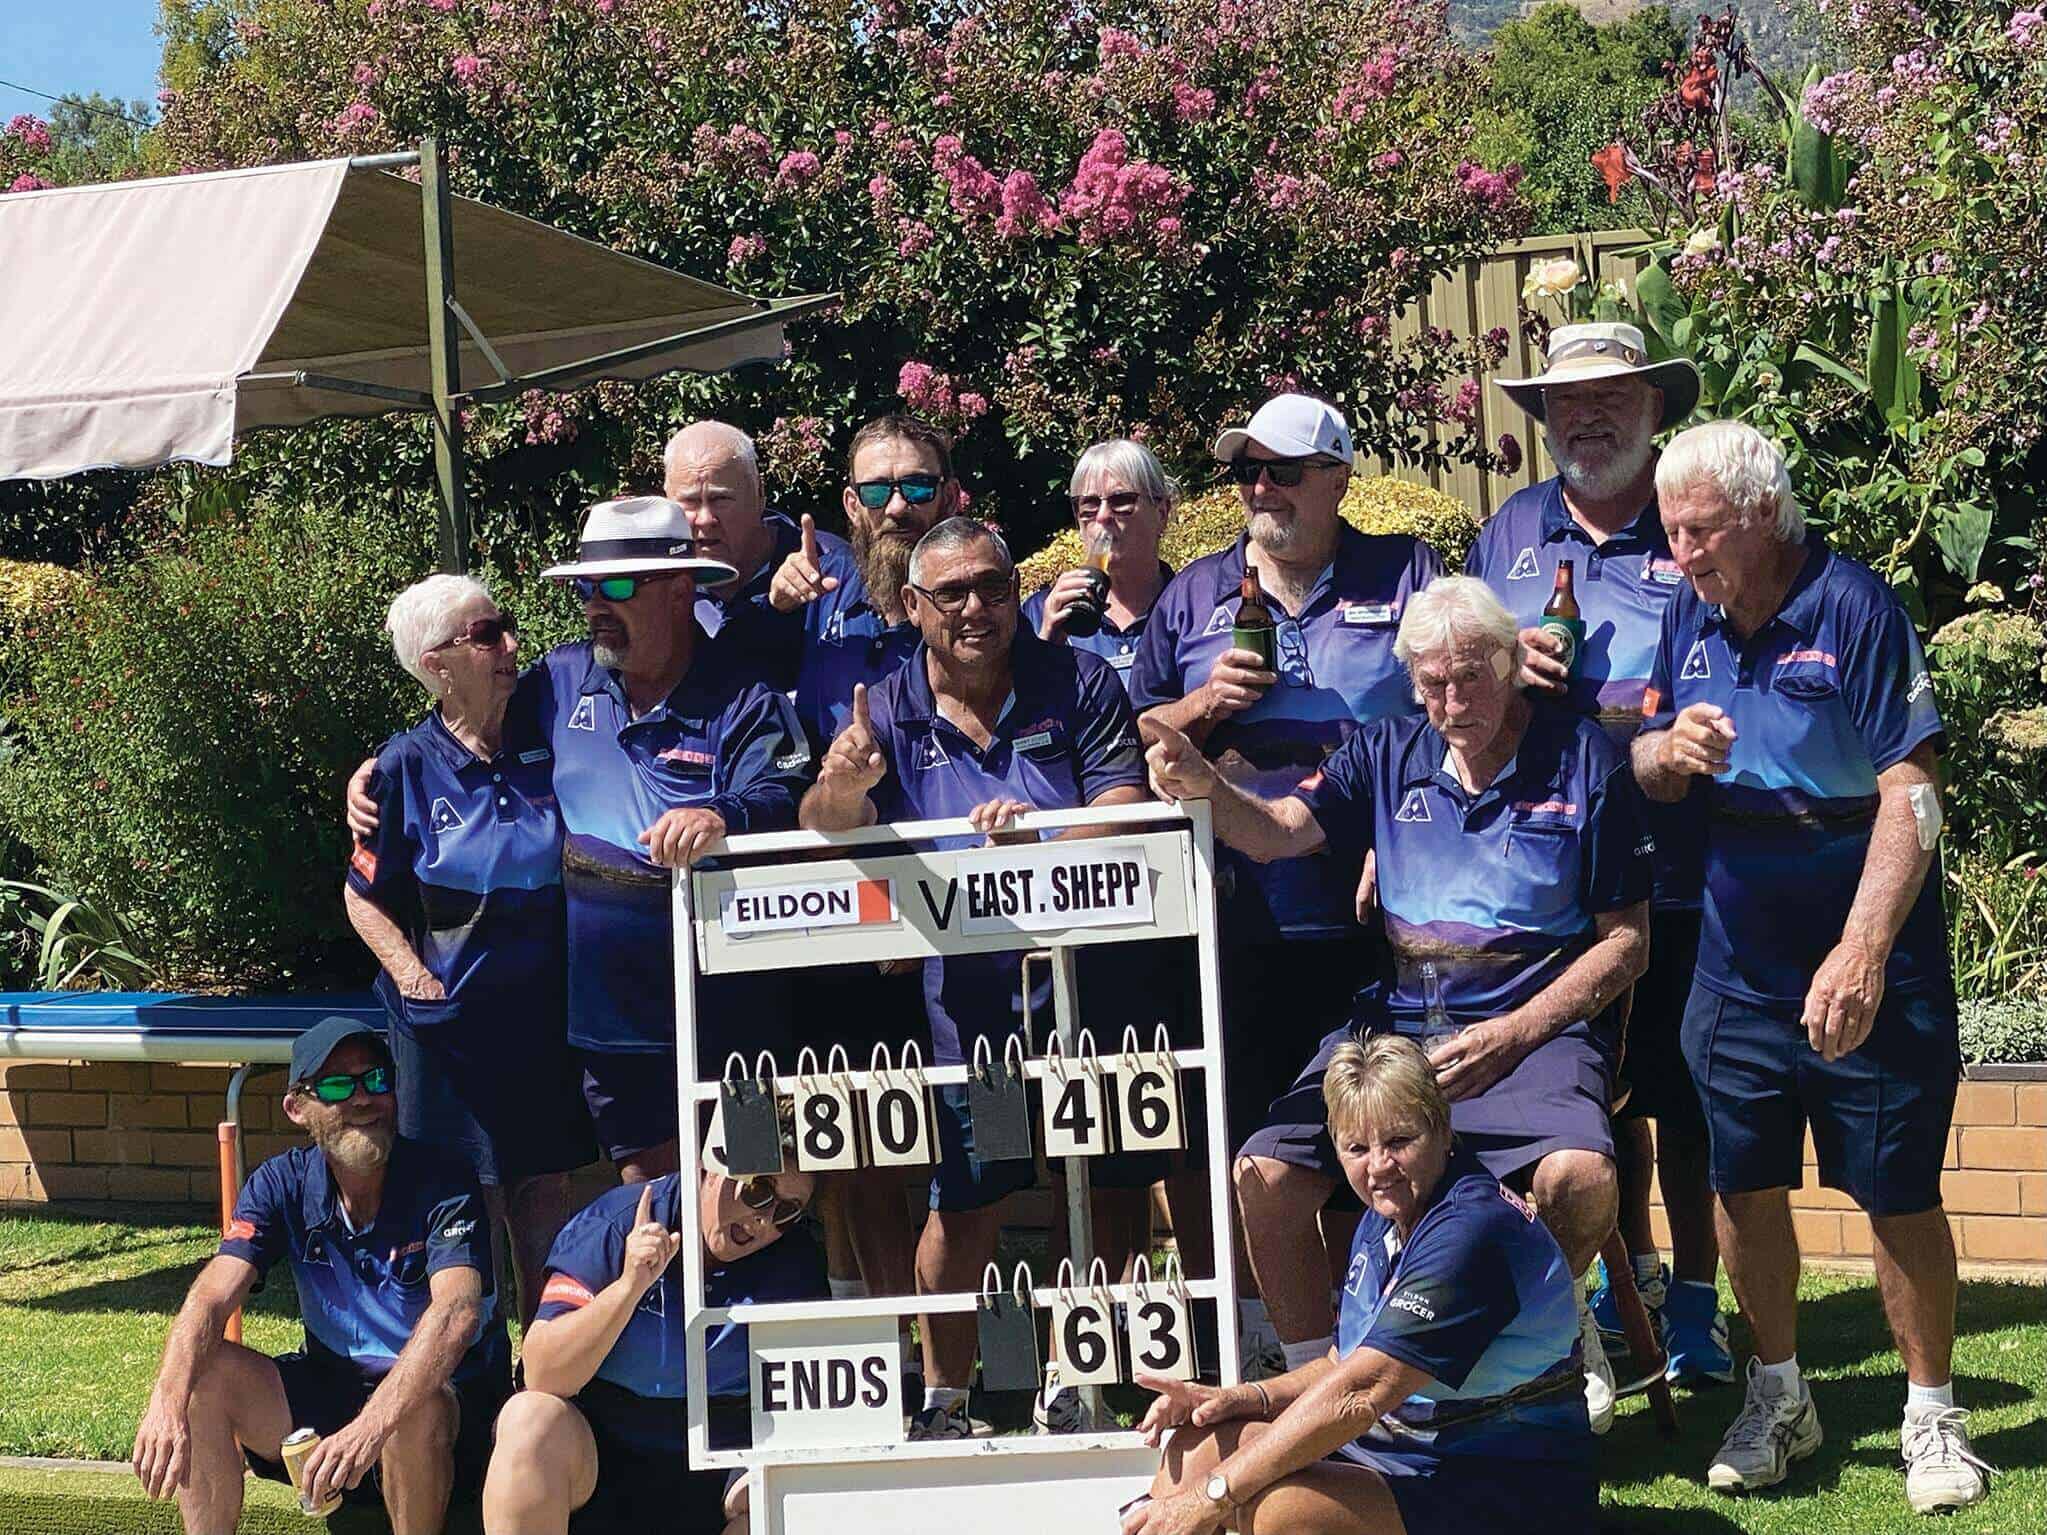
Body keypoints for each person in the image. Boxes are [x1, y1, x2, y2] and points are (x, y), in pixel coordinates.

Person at [1149, 576, 1651, 1434]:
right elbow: (1275, 831)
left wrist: (1519, 1028)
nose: (1453, 703)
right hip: (1402, 1020)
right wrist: (1202, 785)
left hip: (1535, 1025)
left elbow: (1626, 943)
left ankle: (1539, 1332)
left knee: (1580, 1179)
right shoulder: (1383, 750)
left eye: (1471, 677)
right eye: (1432, 683)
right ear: (1411, 683)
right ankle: (1322, 1399)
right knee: (1262, 1175)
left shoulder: (1583, 757)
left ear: (1509, 664)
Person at [1634, 421, 1988, 1512]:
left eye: (1699, 530)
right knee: (1741, 1185)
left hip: (1867, 966)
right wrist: (1664, 755)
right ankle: (1777, 1394)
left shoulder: (1855, 607)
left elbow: (1911, 792)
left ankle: (1932, 1413)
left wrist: (1863, 946)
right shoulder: (1686, 616)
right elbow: (1643, 758)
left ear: (1761, 511)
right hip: (1733, 969)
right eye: (1670, 530)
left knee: (1896, 1193)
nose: (1681, 552)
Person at [801, 515, 1149, 1439]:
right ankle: (944, 1401)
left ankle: (1082, 1387)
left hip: (1090, 988)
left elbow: (1122, 800)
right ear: (911, 606)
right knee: (971, 1198)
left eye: (993, 586)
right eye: (949, 593)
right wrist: (843, 782)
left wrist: (1038, 840)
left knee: (1099, 1184)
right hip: (975, 1007)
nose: (975, 608)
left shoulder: (1075, 678)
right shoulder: (884, 702)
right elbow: (827, 822)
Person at [349, 497, 810, 1183]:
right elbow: (459, 720)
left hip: (727, 1007)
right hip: (611, 1024)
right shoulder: (562, 680)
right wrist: (374, 769)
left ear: (681, 590)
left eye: (617, 587)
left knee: (755, 1196)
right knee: (653, 1211)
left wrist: (720, 816)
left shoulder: (743, 695)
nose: (595, 605)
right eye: (584, 589)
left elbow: (785, 794)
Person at [1129, 392, 1440, 1377]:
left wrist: (1400, 832)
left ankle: (1375, 1325)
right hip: (1236, 910)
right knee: (1249, 1125)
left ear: (1338, 476)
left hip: (1374, 904)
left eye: (1283, 470)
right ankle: (1271, 1337)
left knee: (1372, 1125)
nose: (1260, 489)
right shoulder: (1193, 596)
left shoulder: (1406, 571)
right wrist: (1202, 705)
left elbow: (1456, 707)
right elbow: (1125, 737)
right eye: (1246, 471)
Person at [1475, 320, 1729, 1390]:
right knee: (1588, 1102)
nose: (1584, 418)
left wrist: (1651, 720)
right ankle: (1607, 1304)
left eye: (1610, 399)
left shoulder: (1690, 528)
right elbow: (1458, 694)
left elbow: (1728, 669)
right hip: (1549, 874)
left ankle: (1698, 1314)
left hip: (1681, 862)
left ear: (1653, 412)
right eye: (1565, 403)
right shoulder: (1510, 532)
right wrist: (1505, 667)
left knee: (1687, 1098)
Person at [1123, 1035, 1594, 1535]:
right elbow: (1342, 1363)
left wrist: (1211, 1496)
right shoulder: (1390, 1212)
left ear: (1442, 1126)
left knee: (1281, 1511)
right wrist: (1242, 1399)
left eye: (1398, 1142)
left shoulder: (1471, 1230)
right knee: (1200, 1447)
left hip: (1506, 1483)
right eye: (1357, 1148)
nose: (1378, 1167)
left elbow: (1360, 1392)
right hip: (1399, 1455)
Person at [132, 1018, 509, 1535]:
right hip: (336, 1386)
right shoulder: (280, 1183)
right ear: (297, 1108)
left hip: (447, 1405)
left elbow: (457, 1312)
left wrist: (368, 1429)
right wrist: (165, 1404)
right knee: (204, 1376)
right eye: (336, 1085)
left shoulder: (445, 1179)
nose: (362, 1099)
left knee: (416, 1409)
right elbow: (211, 1298)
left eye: (375, 1080)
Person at [345, 574, 593, 1332]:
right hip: (449, 1036)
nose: (511, 645)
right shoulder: (400, 768)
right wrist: (413, 975)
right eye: (486, 635)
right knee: (466, 1213)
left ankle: (548, 1386)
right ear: (437, 662)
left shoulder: (544, 731)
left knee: (546, 1204)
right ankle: (471, 1393)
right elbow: (362, 894)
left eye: (506, 626)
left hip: (544, 1021)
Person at [767, 413, 963, 1321]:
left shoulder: (976, 586)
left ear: (950, 495)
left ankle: (939, 1358)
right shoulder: (810, 596)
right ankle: (864, 1333)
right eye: (877, 489)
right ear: (848, 504)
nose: (897, 505)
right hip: (828, 909)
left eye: (917, 485)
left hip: (951, 913)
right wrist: (763, 600)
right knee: (838, 1143)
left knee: (940, 1148)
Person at [1024, 437, 1215, 1340]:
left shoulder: (1198, 607)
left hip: (1190, 899)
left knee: (1194, 1113)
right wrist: (1044, 642)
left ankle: (1220, 1316)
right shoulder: (1038, 617)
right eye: (1088, 506)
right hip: (1089, 909)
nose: (1104, 521)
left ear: (1163, 511)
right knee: (1103, 1126)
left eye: (1124, 503)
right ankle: (1111, 1331)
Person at [482, 1159, 823, 1533]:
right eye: (759, 1192)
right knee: (530, 1420)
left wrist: (757, 1475)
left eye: (787, 1210)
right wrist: (629, 1287)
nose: (765, 1219)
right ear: (710, 1168)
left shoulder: (797, 1259)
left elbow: (811, 1405)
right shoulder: (617, 1222)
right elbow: (543, 1372)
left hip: (719, 1461)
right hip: (603, 1453)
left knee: (784, 1494)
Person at [665, 419, 861, 689]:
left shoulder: (827, 567)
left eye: (721, 499)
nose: (705, 519)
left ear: (760, 495)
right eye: (689, 502)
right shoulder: (659, 579)